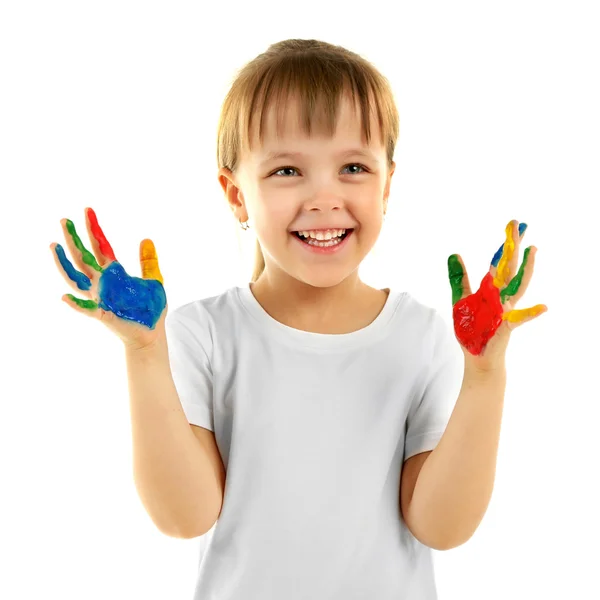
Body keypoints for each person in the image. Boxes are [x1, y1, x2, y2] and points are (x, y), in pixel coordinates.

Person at [50, 38, 546, 600]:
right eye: (288, 170)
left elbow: (442, 526)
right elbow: (183, 516)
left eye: (353, 167)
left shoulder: (423, 336)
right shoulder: (200, 334)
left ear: (387, 186)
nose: (324, 197)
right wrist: (143, 351)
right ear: (237, 195)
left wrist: (486, 375)